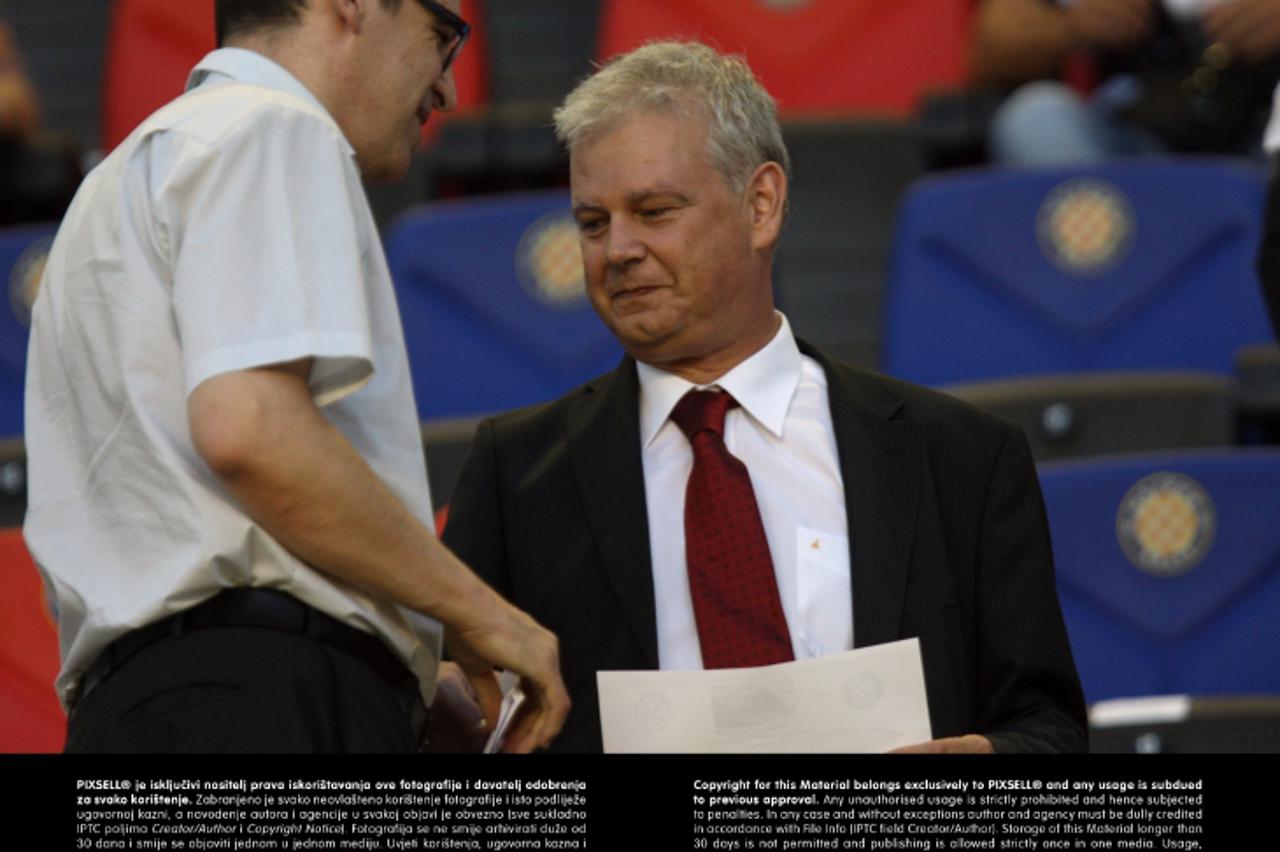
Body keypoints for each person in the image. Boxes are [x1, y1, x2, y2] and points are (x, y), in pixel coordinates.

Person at [441, 40, 1088, 754]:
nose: (616, 249)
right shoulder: (516, 475)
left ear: (761, 205)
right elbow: (463, 715)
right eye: (593, 222)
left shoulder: (961, 456)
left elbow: (1048, 728)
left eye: (654, 211)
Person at [23, 0, 569, 753]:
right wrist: (482, 616)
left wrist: (395, 670)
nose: (446, 89)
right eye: (441, 36)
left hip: (139, 715)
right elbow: (250, 431)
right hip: (266, 700)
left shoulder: (117, 179)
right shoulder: (276, 123)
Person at [973, 0, 1280, 164]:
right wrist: (1072, 25)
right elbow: (992, 45)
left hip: (1265, 139)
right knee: (1035, 120)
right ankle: (1121, 273)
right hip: (1137, 146)